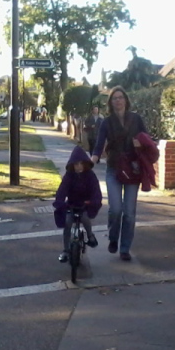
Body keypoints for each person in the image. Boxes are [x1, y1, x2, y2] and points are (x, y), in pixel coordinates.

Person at [91, 86, 149, 262]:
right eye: (114, 98)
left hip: (133, 169)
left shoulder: (136, 119)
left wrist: (142, 144)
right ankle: (113, 237)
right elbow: (99, 145)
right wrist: (91, 160)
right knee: (116, 209)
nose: (118, 100)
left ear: (126, 100)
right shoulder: (106, 122)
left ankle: (125, 248)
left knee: (129, 213)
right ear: (111, 102)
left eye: (120, 97)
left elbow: (147, 139)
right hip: (114, 168)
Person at [53, 145, 102, 263]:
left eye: (81, 164)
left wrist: (94, 201)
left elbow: (96, 190)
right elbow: (62, 190)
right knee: (67, 223)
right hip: (71, 205)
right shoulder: (69, 176)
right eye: (76, 164)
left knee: (85, 218)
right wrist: (59, 201)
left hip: (85, 205)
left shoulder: (90, 176)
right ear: (72, 165)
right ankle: (65, 250)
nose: (78, 167)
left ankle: (90, 236)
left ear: (85, 164)